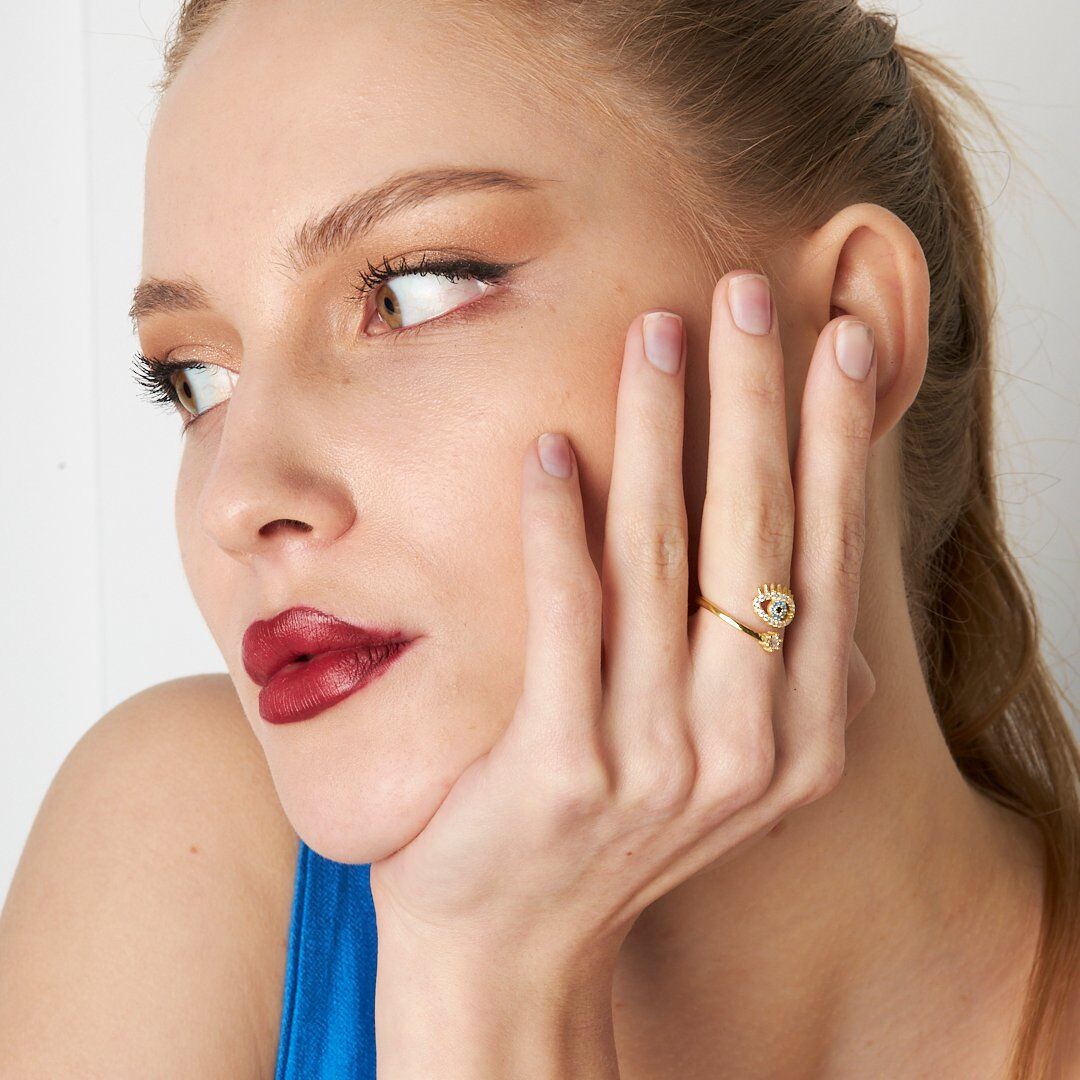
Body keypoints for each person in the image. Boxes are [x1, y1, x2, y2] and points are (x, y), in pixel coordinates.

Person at [1, 1, 1077, 1077]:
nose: (238, 499)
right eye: (194, 378)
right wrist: (481, 980)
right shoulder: (180, 857)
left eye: (412, 292)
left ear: (848, 324)